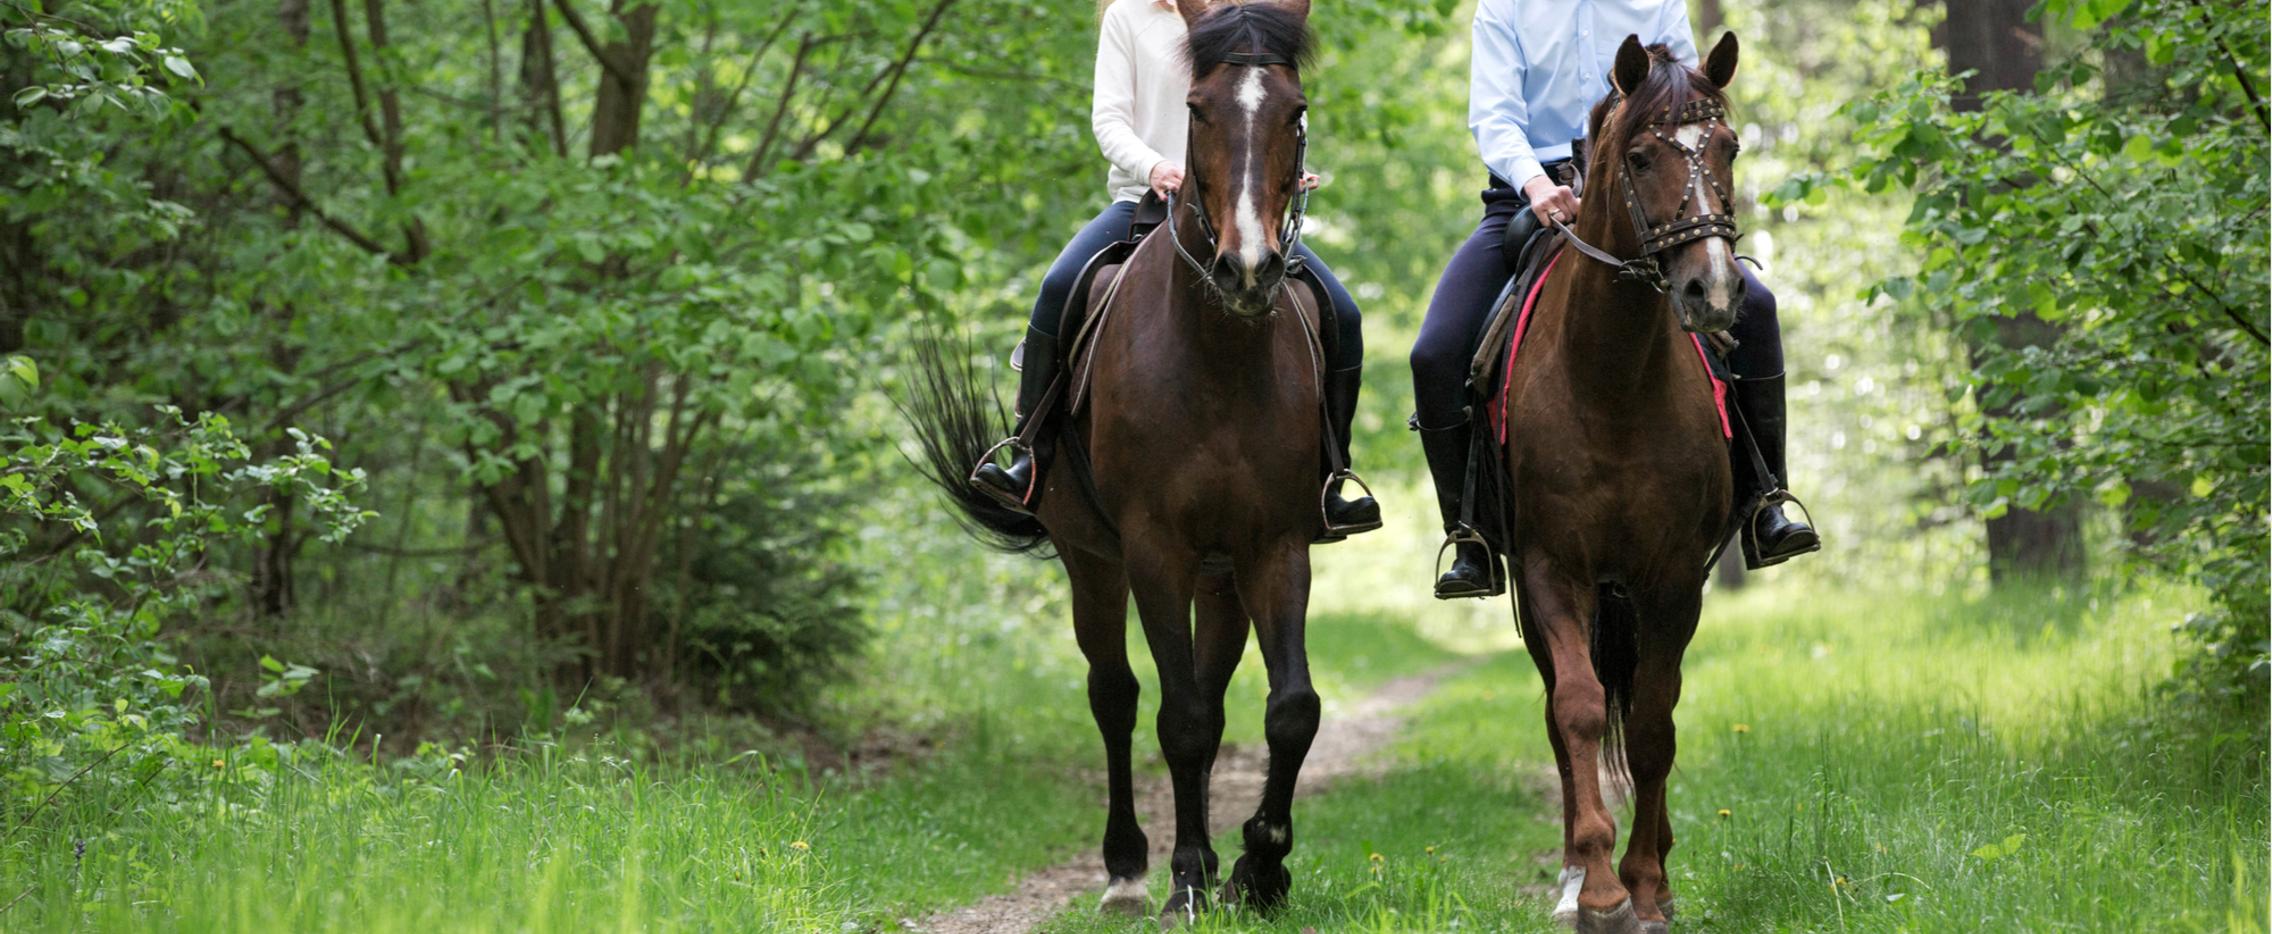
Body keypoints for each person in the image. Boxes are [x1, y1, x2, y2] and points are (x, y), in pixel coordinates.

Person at [1410, 0, 1818, 599]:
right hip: (1528, 198)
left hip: (1649, 189)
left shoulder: (1656, 3)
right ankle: (1468, 535)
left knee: (1756, 309)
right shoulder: (1504, 7)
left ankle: (1766, 500)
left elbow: (1686, 102)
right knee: (1435, 351)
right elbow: (1495, 117)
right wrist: (1537, 184)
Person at [975, 0, 1379, 539]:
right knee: (1057, 287)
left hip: (1236, 211)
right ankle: (1028, 453)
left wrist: (1292, 168)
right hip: (1143, 201)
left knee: (1343, 314)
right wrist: (1155, 166)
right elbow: (1109, 118)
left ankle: (1331, 476)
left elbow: (1278, 110)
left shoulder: (1247, 17)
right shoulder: (1129, 16)